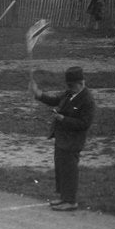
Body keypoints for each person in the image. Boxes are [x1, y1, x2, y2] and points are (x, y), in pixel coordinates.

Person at [29, 66, 95, 211]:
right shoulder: (69, 93)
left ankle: (71, 201)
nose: (69, 88)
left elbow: (84, 124)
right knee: (61, 169)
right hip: (61, 138)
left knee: (70, 170)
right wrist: (38, 94)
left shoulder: (87, 100)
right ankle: (63, 197)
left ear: (81, 83)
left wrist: (63, 118)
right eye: (68, 85)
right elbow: (55, 100)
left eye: (72, 85)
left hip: (73, 140)